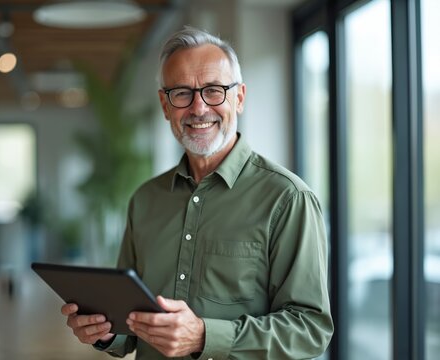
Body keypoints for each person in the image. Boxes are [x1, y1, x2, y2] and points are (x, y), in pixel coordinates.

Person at [61, 26, 334, 359]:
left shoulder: (288, 199)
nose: (198, 108)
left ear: (240, 97)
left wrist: (206, 336)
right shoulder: (145, 200)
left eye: (214, 90)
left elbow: (309, 330)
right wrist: (102, 332)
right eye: (182, 93)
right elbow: (128, 329)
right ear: (165, 105)